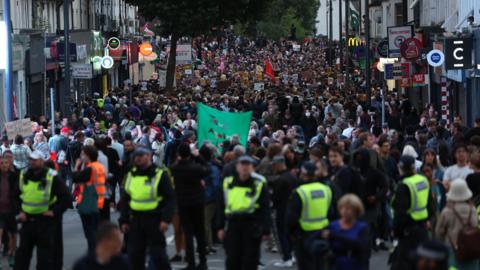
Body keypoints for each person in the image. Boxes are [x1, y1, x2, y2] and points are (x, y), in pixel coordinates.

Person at [119, 147, 176, 270]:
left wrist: (166, 219)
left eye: (141, 155)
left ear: (149, 156)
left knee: (158, 255)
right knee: (134, 255)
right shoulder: (131, 174)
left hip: (154, 219)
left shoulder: (159, 174)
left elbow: (170, 198)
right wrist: (123, 220)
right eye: (136, 156)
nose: (138, 158)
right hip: (136, 220)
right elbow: (126, 198)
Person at [14, 150, 71, 270]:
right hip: (27, 221)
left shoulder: (52, 176)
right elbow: (15, 196)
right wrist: (20, 211)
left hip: (45, 222)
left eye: (35, 160)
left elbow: (66, 198)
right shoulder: (23, 175)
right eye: (31, 160)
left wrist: (54, 212)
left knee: (45, 258)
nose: (32, 162)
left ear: (42, 161)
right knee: (21, 257)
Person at [217, 155, 271, 270]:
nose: (244, 167)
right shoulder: (228, 182)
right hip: (233, 225)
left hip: (252, 225)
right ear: (237, 166)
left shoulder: (259, 183)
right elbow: (221, 205)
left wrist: (266, 229)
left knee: (250, 261)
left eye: (248, 165)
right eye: (242, 164)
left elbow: (265, 207)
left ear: (252, 167)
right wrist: (220, 227)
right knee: (232, 260)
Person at [286, 161, 333, 270]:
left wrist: (291, 233)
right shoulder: (326, 189)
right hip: (323, 233)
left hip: (304, 235)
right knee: (321, 265)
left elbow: (291, 218)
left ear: (305, 174)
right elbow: (331, 212)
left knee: (306, 266)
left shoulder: (300, 192)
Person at [169, 144, 210, 270]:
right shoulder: (196, 168)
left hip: (183, 203)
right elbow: (207, 169)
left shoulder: (175, 168)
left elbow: (174, 165)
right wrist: (197, 157)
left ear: (179, 155)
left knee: (188, 233)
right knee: (200, 232)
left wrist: (183, 156)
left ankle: (191, 262)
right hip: (197, 202)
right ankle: (202, 262)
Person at [390, 155, 434, 270]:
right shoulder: (423, 180)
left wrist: (396, 231)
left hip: (408, 231)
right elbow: (431, 206)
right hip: (422, 228)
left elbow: (400, 213)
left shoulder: (404, 185)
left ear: (401, 168)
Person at [435, 179, 479, 270]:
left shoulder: (447, 211)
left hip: (453, 249)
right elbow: (475, 225)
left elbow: (439, 232)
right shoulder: (472, 209)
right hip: (471, 248)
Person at [72, 145, 107, 253]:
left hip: (89, 202)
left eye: (83, 154)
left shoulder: (89, 168)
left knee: (90, 232)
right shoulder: (99, 166)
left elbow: (75, 178)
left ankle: (93, 254)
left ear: (88, 155)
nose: (81, 156)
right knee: (96, 230)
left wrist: (77, 166)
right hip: (99, 201)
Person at [323, 194, 369, 270]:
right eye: (343, 208)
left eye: (349, 208)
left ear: (356, 210)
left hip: (355, 264)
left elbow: (361, 246)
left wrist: (334, 235)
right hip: (336, 265)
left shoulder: (362, 227)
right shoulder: (333, 225)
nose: (345, 211)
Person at [270, 155, 297, 267]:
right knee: (290, 234)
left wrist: (272, 203)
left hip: (282, 210)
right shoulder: (292, 176)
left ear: (279, 164)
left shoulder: (280, 179)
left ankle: (287, 257)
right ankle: (291, 255)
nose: (273, 168)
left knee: (282, 234)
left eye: (274, 165)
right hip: (293, 209)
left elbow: (276, 197)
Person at [0, 156, 19, 268]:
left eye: (6, 163)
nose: (4, 165)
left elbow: (19, 192)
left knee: (13, 235)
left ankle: (11, 254)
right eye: (1, 163)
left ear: (9, 164)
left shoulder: (14, 176)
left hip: (12, 210)